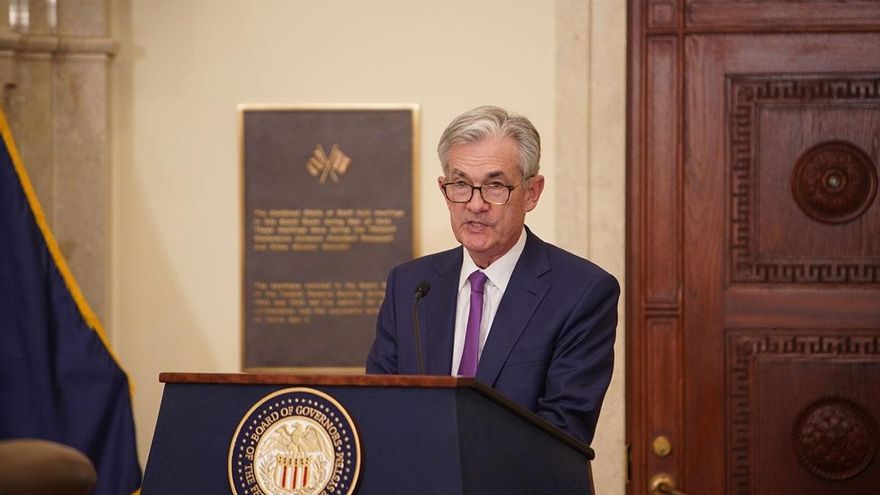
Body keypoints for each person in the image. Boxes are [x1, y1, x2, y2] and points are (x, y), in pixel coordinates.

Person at [366, 105, 619, 445]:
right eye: (460, 184)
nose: (474, 204)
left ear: (532, 192)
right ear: (444, 188)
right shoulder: (410, 286)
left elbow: (561, 433)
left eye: (495, 185)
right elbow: (379, 410)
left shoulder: (582, 292)